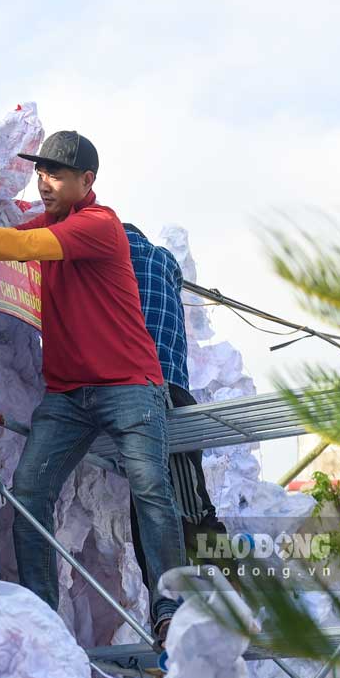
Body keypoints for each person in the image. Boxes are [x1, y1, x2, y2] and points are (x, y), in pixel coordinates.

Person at [0, 130, 185, 647]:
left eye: (56, 175)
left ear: (86, 180)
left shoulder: (98, 224)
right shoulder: (52, 222)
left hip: (128, 388)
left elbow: (18, 245)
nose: (43, 183)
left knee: (151, 491)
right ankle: (43, 618)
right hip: (69, 395)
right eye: (40, 172)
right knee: (29, 494)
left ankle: (170, 611)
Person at [120, 223, 227, 579]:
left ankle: (215, 585)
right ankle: (186, 595)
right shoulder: (165, 260)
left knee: (175, 503)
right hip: (173, 388)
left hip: (158, 392)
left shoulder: (117, 263)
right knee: (184, 496)